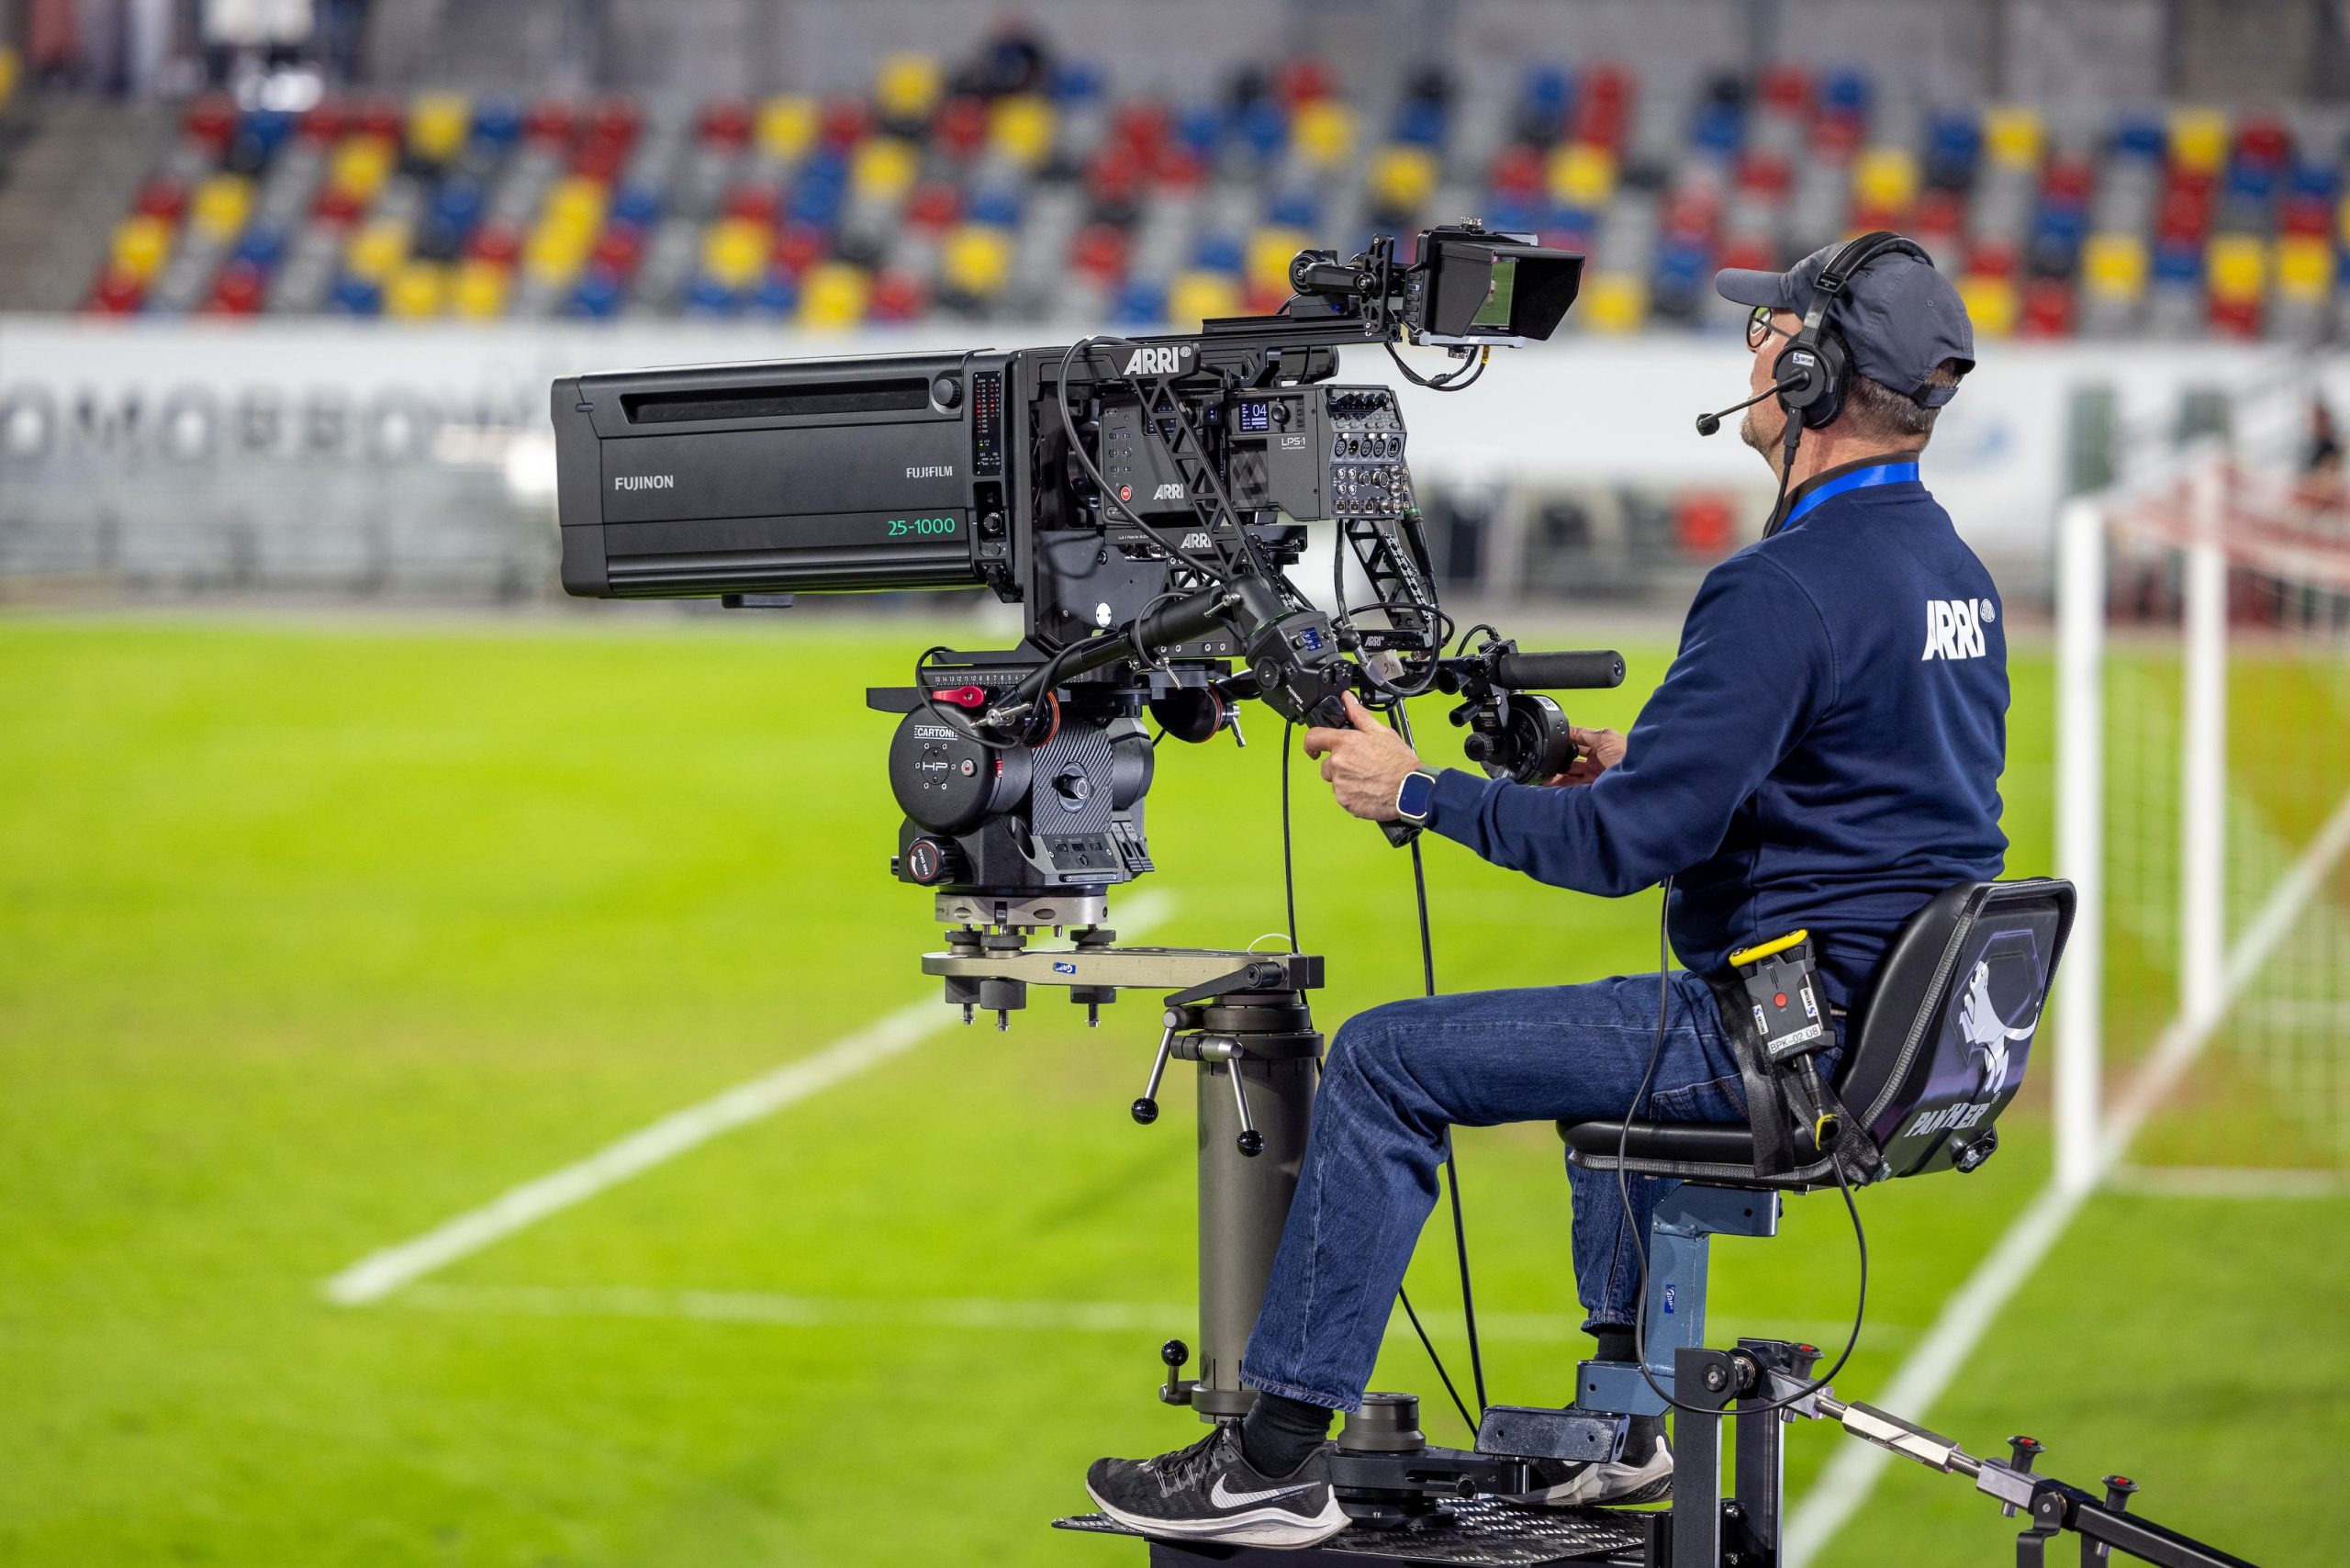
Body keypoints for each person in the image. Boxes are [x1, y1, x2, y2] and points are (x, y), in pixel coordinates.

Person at [1083, 238, 2006, 1549]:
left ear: (1809, 370)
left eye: (1767, 334)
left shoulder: (1781, 584)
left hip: (1778, 1039)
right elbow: (1872, 781)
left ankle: (1273, 1459)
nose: (1747, 356)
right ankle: (1623, 1427)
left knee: (1388, 1059)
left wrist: (1417, 792)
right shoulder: (1944, 567)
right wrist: (1640, 758)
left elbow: (1618, 853)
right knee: (1602, 1050)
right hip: (1872, 1027)